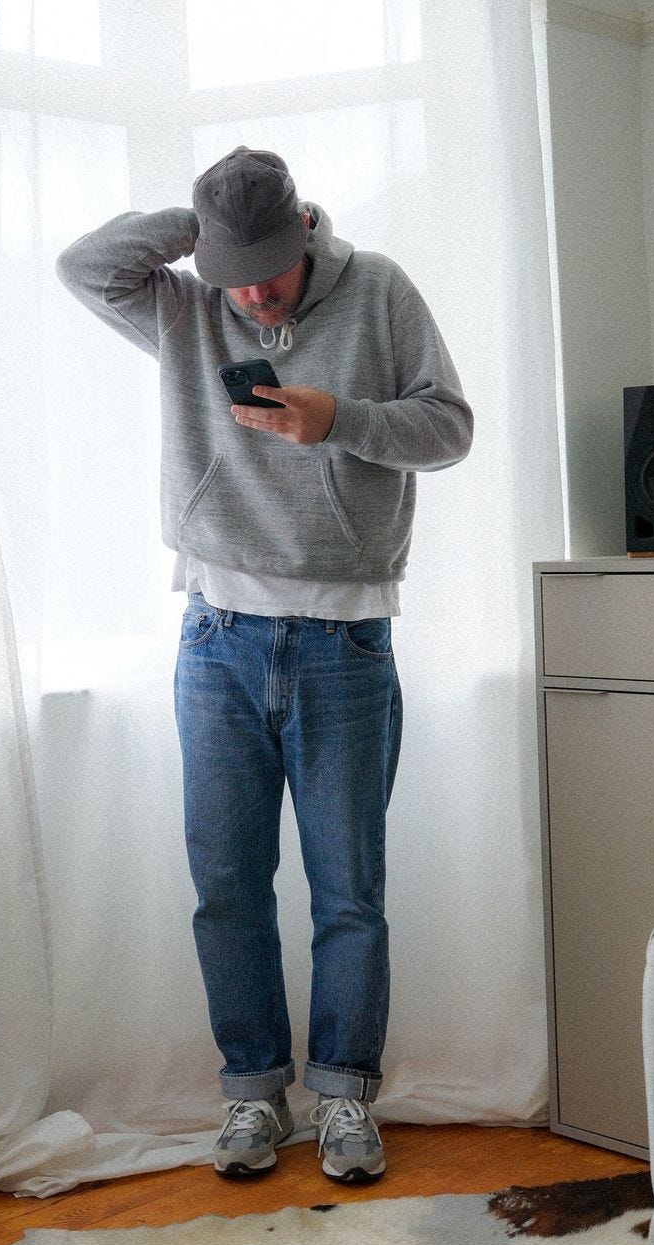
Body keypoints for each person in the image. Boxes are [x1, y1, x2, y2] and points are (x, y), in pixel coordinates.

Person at [56, 146, 473, 1184]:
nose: (251, 293)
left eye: (269, 268)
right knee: (228, 887)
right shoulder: (189, 303)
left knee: (349, 893)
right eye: (233, 269)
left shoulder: (376, 290)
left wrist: (341, 421)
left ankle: (342, 1098)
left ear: (306, 234)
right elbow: (82, 266)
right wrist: (201, 231)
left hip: (343, 643)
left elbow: (451, 427)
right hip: (216, 639)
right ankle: (253, 1095)